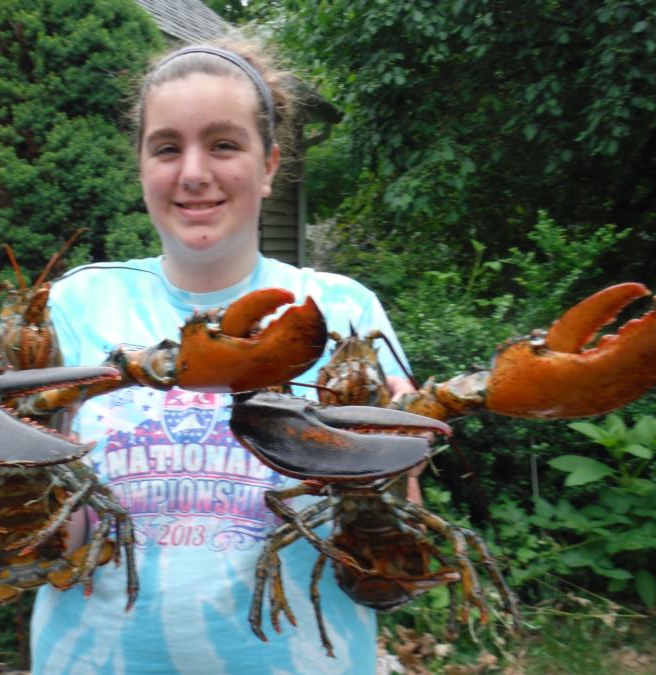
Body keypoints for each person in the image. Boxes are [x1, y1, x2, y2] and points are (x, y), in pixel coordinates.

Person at [30, 38, 417, 674]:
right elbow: (49, 551)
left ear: (270, 165)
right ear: (141, 167)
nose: (192, 172)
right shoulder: (73, 305)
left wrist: (393, 465)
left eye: (223, 144)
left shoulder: (346, 312)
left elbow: (391, 541)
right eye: (166, 147)